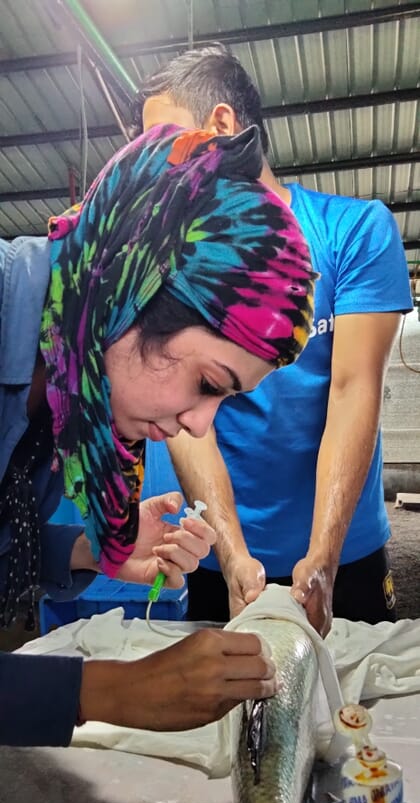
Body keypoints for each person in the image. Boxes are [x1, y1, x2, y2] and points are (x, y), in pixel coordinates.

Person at [0, 120, 316, 746]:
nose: (198, 423)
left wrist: (83, 551)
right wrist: (115, 690)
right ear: (132, 290)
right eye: (207, 382)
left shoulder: (62, 377)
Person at [133, 43, 413, 635]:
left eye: (164, 145)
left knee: (354, 718)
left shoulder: (354, 231)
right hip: (225, 554)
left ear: (222, 126)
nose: (155, 172)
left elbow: (352, 391)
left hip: (346, 550)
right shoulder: (173, 264)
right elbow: (184, 416)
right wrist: (231, 553)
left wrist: (323, 557)